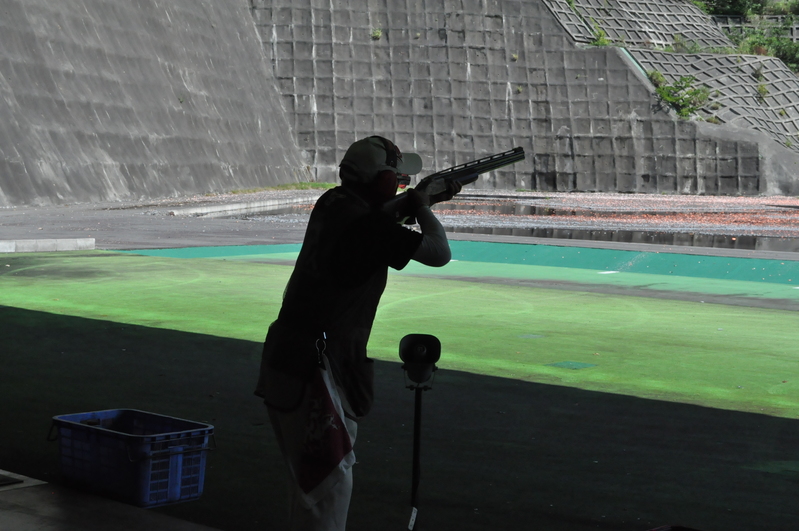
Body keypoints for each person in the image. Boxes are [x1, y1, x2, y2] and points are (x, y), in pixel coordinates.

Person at [254, 135, 460, 530]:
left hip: (290, 357)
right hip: (317, 367)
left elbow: (375, 221)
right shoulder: (366, 223)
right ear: (379, 179)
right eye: (395, 176)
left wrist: (418, 201)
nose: (399, 182)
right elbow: (439, 252)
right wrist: (421, 205)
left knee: (310, 489)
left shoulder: (333, 202)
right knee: (327, 487)